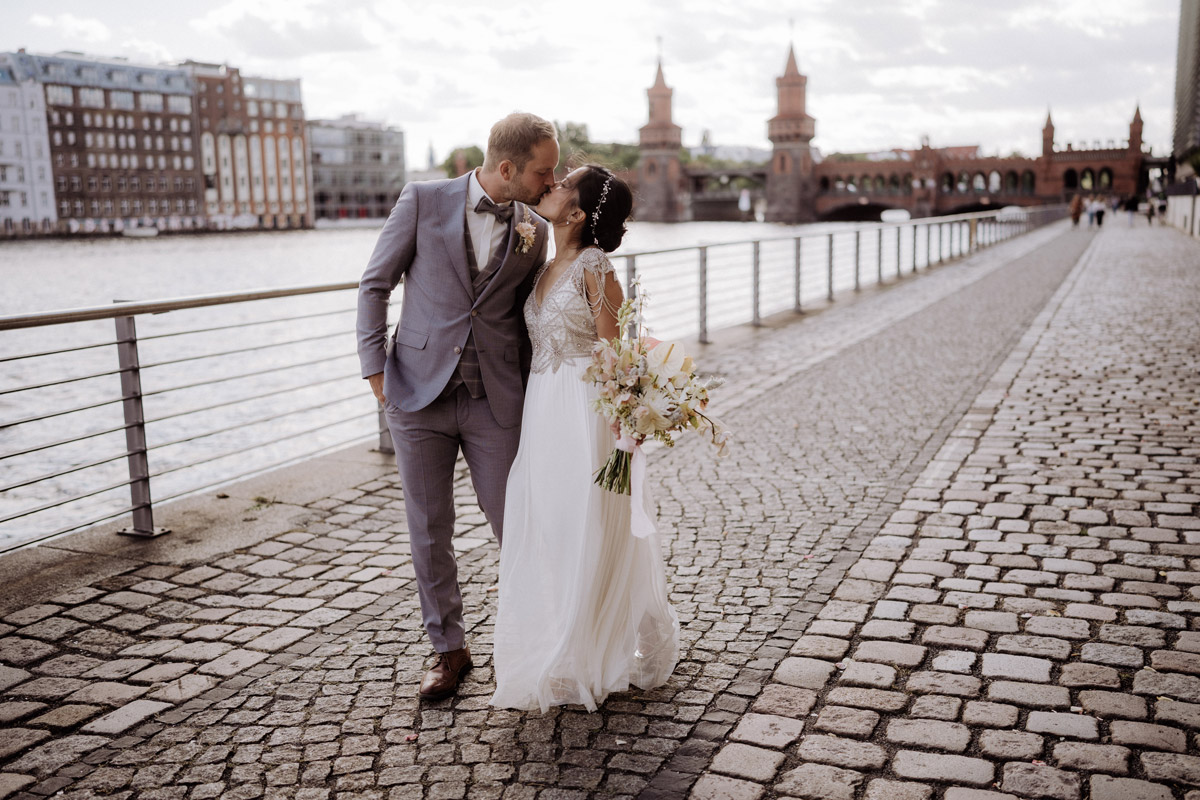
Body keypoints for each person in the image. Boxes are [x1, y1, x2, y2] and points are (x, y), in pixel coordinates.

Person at [356, 112, 558, 701]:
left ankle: (535, 641)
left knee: (515, 525)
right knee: (428, 529)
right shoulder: (421, 200)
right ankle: (449, 651)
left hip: (495, 401)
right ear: (506, 168)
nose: (550, 182)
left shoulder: (535, 230)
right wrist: (375, 370)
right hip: (416, 396)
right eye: (543, 172)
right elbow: (374, 285)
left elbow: (527, 315)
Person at [490, 165, 680, 712]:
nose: (548, 185)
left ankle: (588, 650)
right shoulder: (546, 264)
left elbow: (613, 353)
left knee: (586, 522)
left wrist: (624, 422)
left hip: (583, 411)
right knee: (548, 521)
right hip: (542, 409)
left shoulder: (596, 268)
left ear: (576, 212)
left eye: (561, 182)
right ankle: (557, 634)